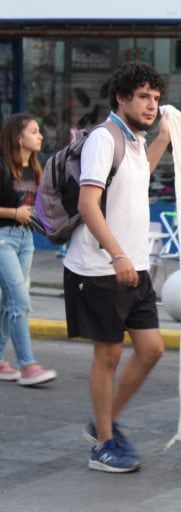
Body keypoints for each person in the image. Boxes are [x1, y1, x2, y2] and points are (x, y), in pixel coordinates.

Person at [63, 62, 171, 473]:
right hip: (99, 267)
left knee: (152, 349)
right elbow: (87, 204)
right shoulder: (103, 139)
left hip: (134, 266)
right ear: (122, 97)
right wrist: (118, 255)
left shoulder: (137, 139)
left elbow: (138, 180)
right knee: (107, 354)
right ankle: (104, 445)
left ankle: (102, 423)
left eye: (156, 98)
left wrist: (163, 137)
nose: (151, 104)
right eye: (144, 96)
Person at [0, 113, 58, 386]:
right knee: (20, 301)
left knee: (8, 303)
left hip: (26, 241)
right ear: (18, 137)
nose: (40, 136)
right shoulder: (2, 166)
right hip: (3, 239)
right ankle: (28, 365)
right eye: (34, 131)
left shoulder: (35, 168)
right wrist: (14, 212)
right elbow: (17, 210)